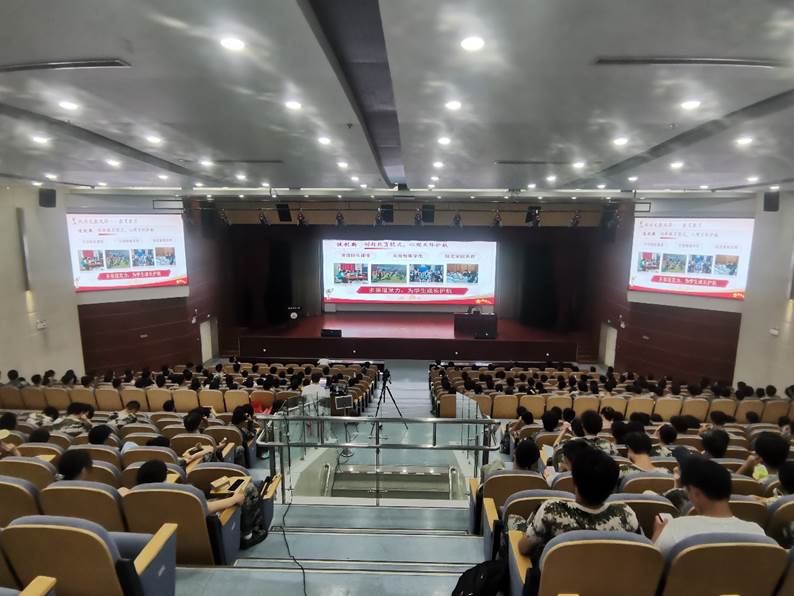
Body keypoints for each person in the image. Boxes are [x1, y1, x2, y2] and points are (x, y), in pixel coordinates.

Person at [519, 448, 639, 562]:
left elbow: (523, 548)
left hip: (558, 576)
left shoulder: (551, 510)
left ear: (574, 481)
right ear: (613, 488)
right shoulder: (626, 514)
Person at [653, 456, 765, 555]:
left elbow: (652, 564)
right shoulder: (757, 533)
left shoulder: (675, 530)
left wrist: (657, 535)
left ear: (695, 493)